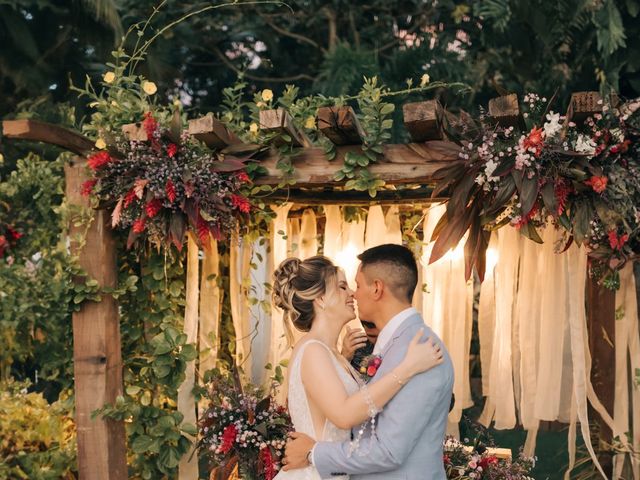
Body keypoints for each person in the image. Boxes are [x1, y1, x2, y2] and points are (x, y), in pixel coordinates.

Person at [282, 244, 454, 479]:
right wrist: (407, 368)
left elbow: (388, 449)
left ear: (377, 289)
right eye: (343, 287)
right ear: (320, 299)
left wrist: (314, 452)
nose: (352, 293)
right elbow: (344, 414)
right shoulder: (314, 350)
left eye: (355, 285)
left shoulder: (419, 348)